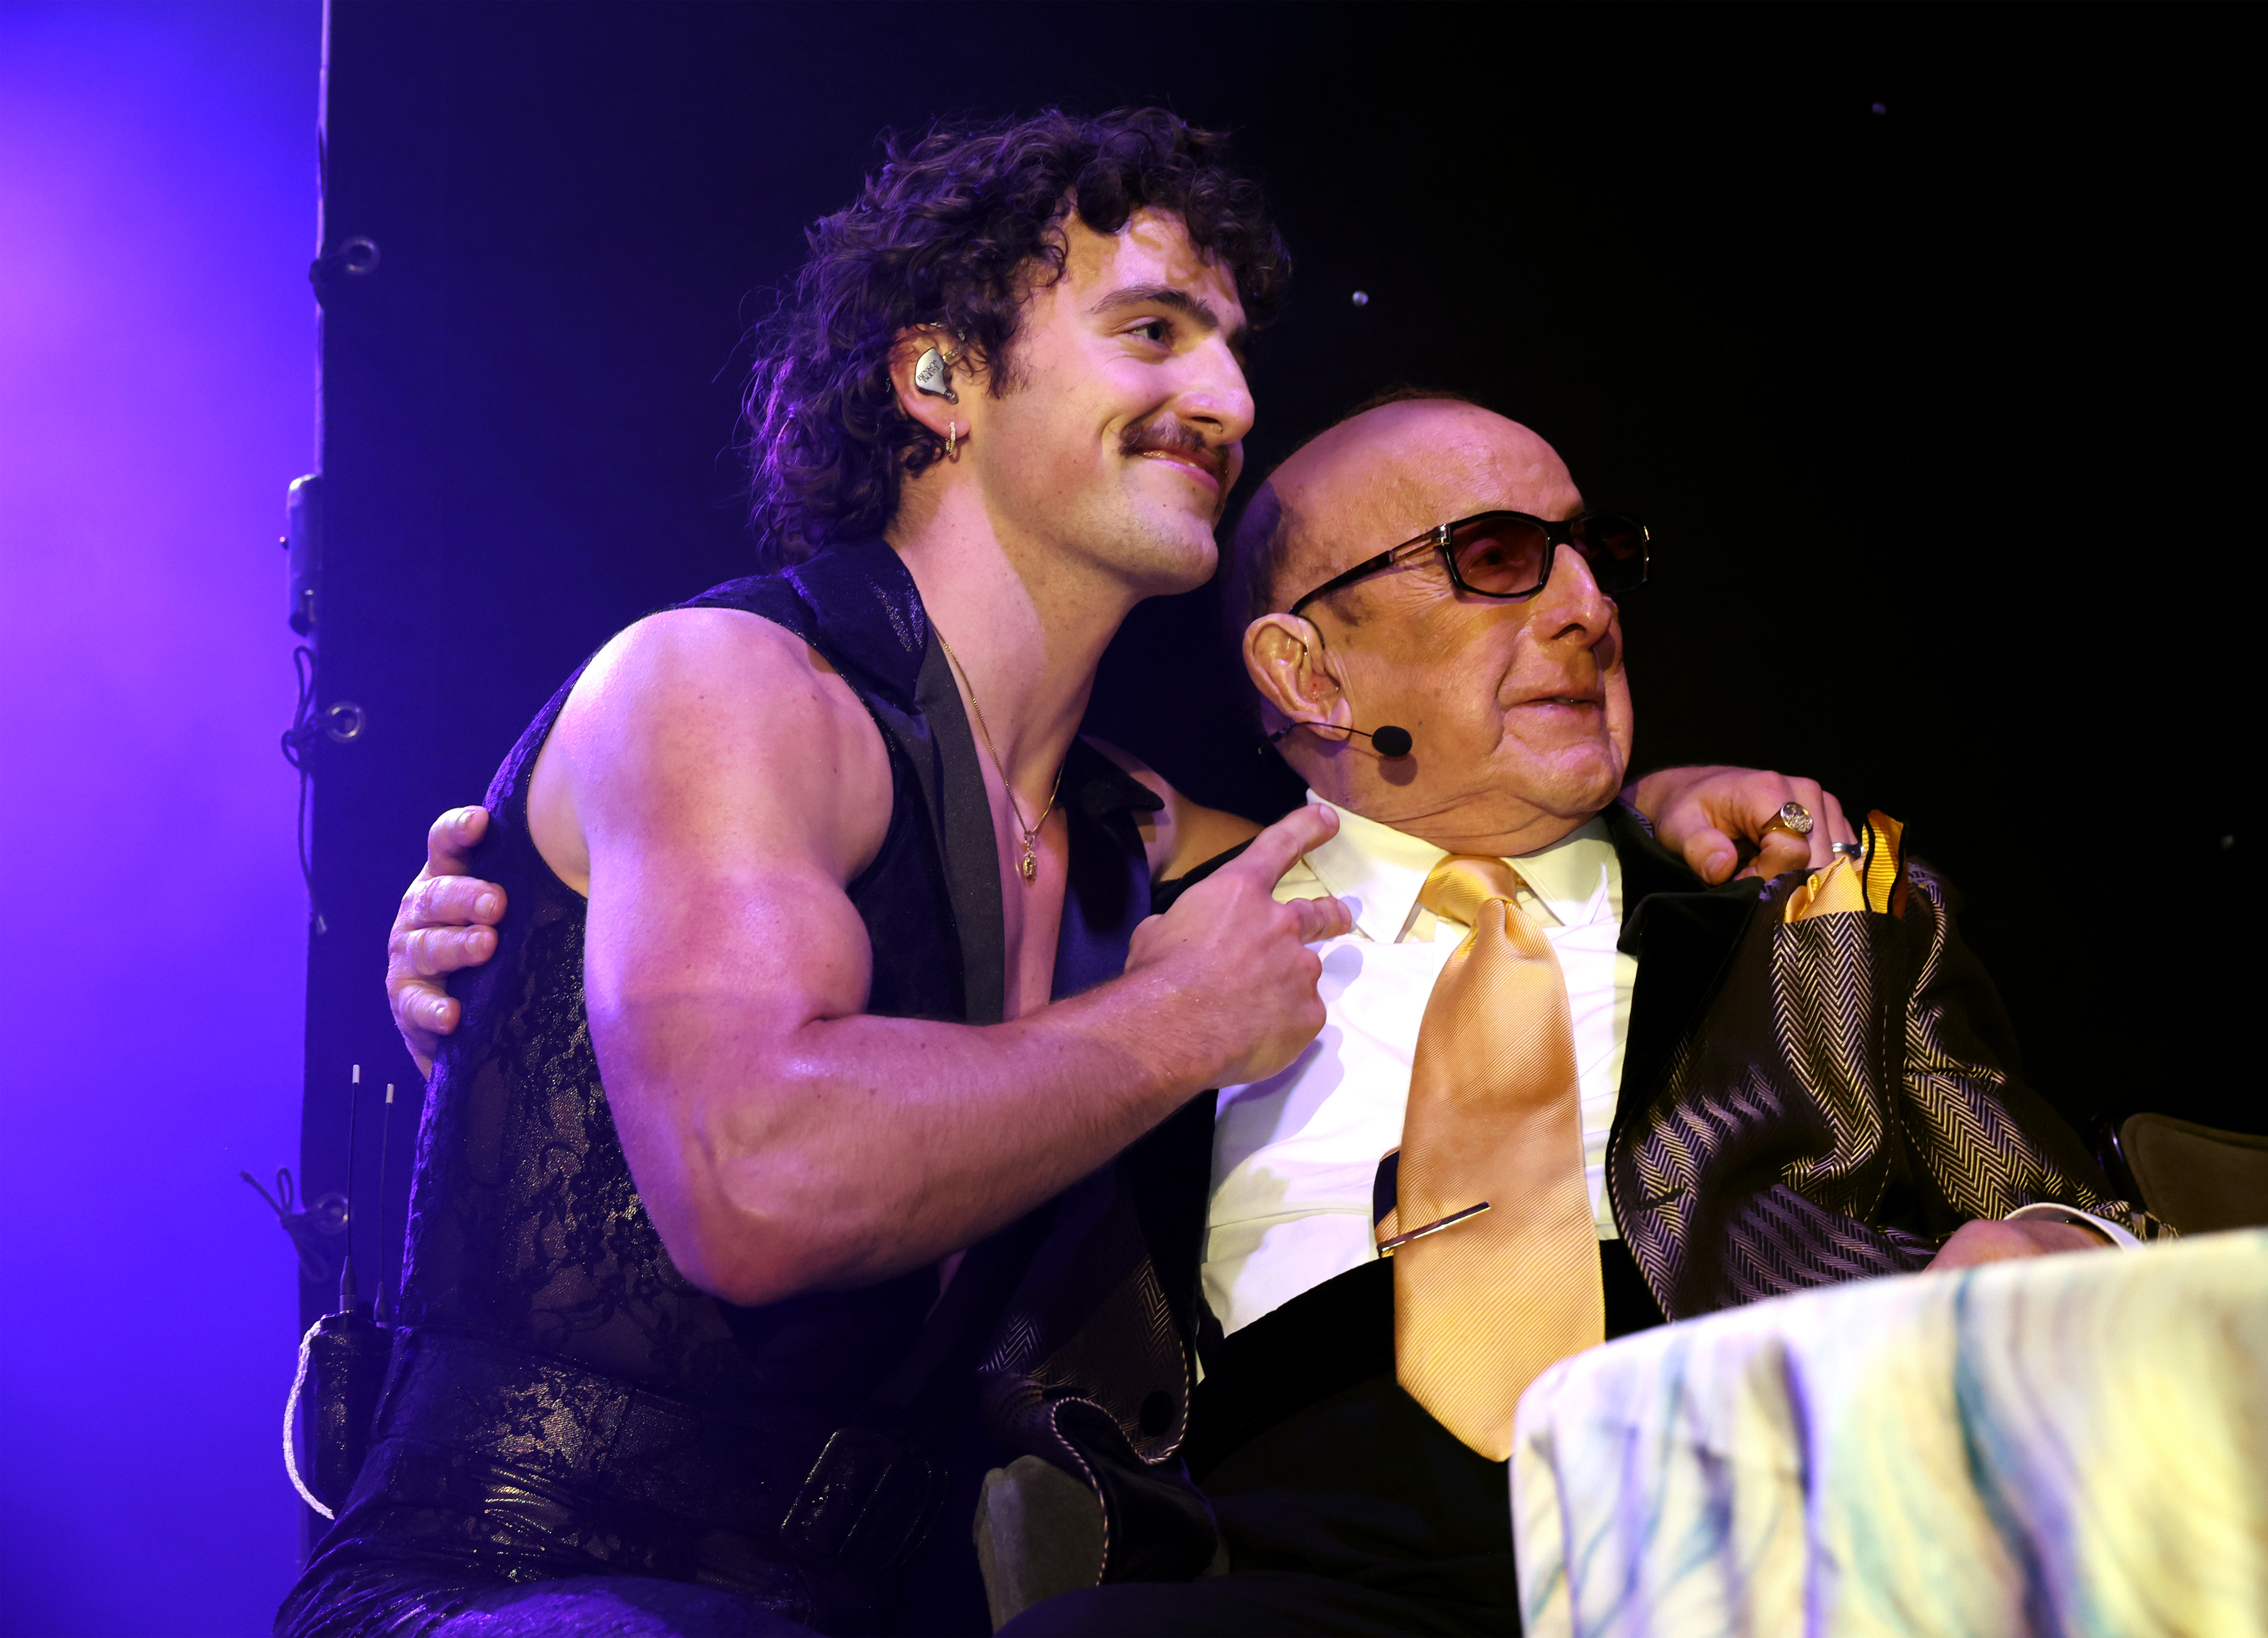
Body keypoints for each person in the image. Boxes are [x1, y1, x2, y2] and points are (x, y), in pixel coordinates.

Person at [301, 110, 1814, 1638]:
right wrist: (1172, 1029)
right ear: (939, 377)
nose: (1224, 399)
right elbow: (758, 1181)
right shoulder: (729, 688)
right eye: (1151, 330)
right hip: (510, 1590)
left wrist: (1658, 804)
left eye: (1231, 348)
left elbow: (1418, 823)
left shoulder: (1125, 833)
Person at [390, 393, 2157, 1636]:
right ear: (1306, 670)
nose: (1589, 607)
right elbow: (845, 1038)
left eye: (1593, 555)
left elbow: (2080, 1202)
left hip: (1763, 1496)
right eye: (1495, 558)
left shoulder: (1808, 903)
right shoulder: (1134, 938)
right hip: (1293, 1554)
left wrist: (2056, 1235)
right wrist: (534, 940)